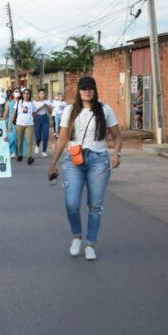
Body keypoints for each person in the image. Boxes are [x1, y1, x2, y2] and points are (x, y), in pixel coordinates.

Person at [49, 76, 122, 261]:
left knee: (95, 206)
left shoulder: (105, 110)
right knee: (71, 203)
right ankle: (77, 236)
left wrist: (116, 154)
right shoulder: (70, 110)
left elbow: (117, 136)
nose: (87, 91)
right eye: (84, 88)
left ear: (95, 90)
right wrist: (53, 163)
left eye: (90, 88)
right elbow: (63, 138)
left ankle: (90, 243)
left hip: (98, 160)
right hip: (74, 160)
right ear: (79, 91)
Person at [15, 88, 37, 164]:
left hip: (29, 124)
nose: (26, 95)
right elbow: (15, 113)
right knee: (20, 141)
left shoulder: (32, 103)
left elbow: (34, 114)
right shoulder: (19, 102)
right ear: (22, 95)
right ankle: (20, 154)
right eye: (24, 93)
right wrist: (11, 123)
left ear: (30, 95)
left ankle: (29, 157)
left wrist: (34, 121)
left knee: (29, 141)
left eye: (28, 93)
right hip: (19, 124)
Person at [3, 88, 22, 157]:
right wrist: (4, 122)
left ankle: (18, 151)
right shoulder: (9, 103)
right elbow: (6, 113)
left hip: (20, 121)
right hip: (11, 121)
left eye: (18, 91)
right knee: (12, 136)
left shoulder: (22, 102)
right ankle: (13, 151)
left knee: (18, 137)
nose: (17, 93)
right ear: (13, 93)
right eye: (16, 91)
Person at [33, 89, 51, 157]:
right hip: (37, 118)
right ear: (38, 95)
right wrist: (41, 107)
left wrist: (47, 106)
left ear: (45, 94)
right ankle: (37, 145)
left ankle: (44, 151)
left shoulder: (47, 101)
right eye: (40, 94)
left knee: (46, 136)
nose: (42, 95)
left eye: (43, 93)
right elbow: (34, 112)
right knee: (38, 137)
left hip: (45, 118)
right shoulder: (35, 102)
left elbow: (50, 112)